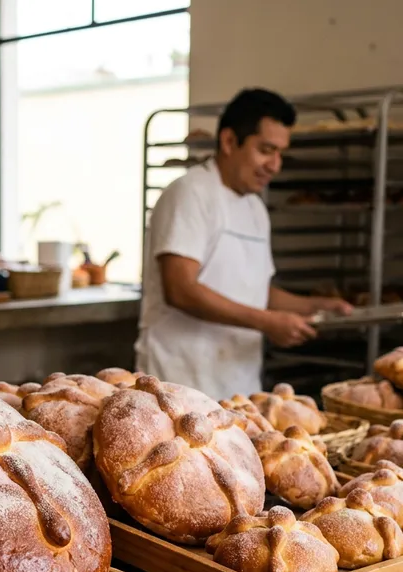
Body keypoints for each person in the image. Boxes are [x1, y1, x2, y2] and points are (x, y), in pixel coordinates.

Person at [135, 87, 352, 400]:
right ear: (229, 141)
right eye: (266, 150)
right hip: (180, 383)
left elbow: (256, 290)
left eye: (280, 153)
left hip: (238, 383)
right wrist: (268, 322)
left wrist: (315, 307)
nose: (275, 165)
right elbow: (180, 290)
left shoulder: (255, 208)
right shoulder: (190, 193)